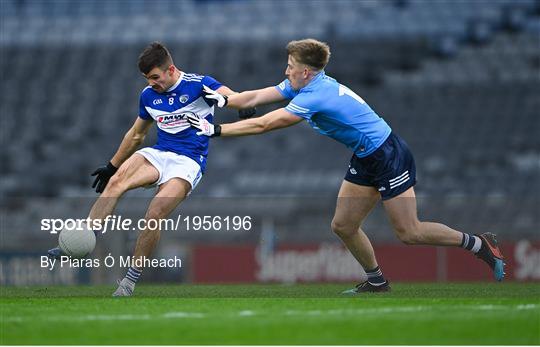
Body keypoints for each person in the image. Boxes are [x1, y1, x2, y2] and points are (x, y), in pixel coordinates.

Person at [188, 38, 505, 293]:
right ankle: (377, 281)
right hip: (366, 156)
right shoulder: (305, 83)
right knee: (343, 226)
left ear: (306, 73)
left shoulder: (315, 95)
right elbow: (255, 97)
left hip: (389, 154)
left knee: (410, 232)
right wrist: (221, 98)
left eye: (290, 67)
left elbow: (265, 124)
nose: (286, 72)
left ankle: (479, 244)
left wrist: (215, 130)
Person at [48, 42, 251, 297]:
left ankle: (129, 282)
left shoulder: (199, 84)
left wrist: (242, 106)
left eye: (155, 77)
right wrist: (112, 165)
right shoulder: (148, 95)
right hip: (160, 153)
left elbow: (233, 96)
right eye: (147, 78)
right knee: (117, 180)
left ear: (171, 70)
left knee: (155, 211)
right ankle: (80, 244)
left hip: (189, 161)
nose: (151, 83)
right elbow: (135, 135)